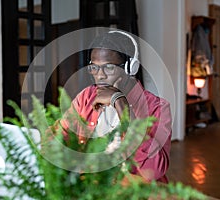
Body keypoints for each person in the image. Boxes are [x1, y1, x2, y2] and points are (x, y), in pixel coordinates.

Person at [51, 30, 172, 183]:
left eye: (109, 67)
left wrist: (121, 105)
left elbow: (153, 172)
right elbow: (58, 135)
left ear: (130, 68)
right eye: (93, 67)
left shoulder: (157, 107)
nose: (99, 75)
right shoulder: (87, 96)